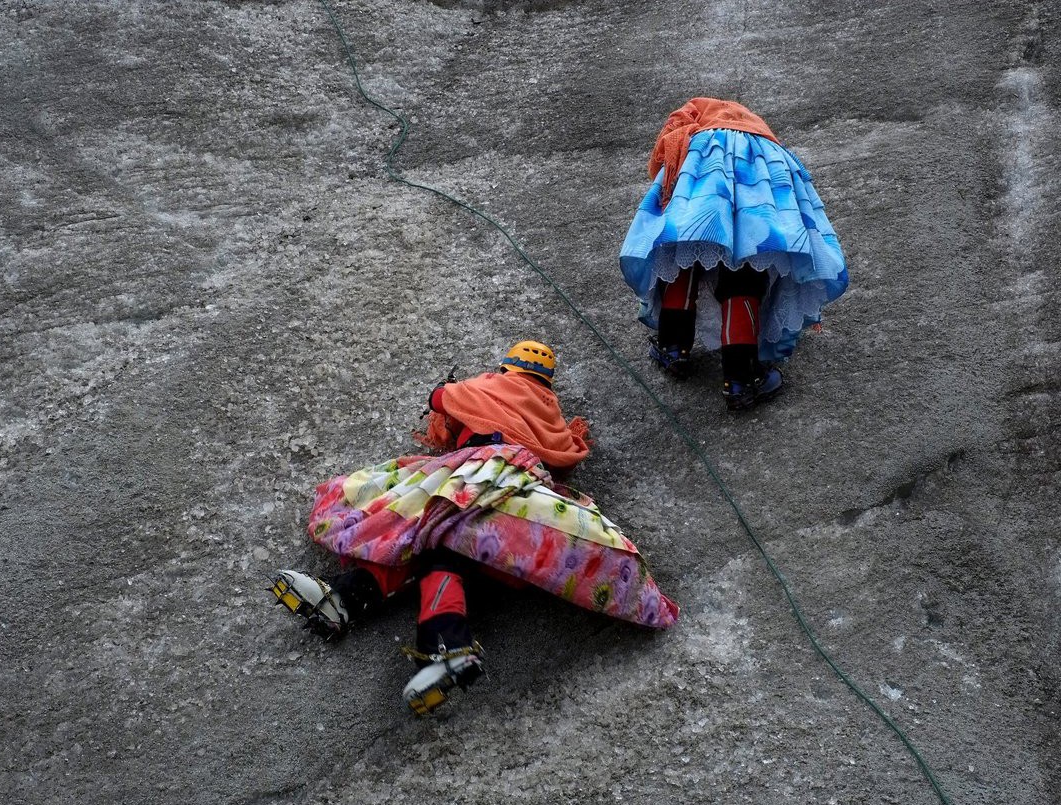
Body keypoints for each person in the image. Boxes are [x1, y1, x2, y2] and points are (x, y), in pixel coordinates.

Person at [269, 341, 679, 715]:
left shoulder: (490, 385)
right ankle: (430, 639)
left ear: (506, 368)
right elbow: (565, 456)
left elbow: (440, 398)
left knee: (419, 528)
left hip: (476, 471)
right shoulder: (550, 409)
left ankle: (351, 604)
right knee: (440, 546)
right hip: (519, 500)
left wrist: (451, 393)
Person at [619, 97, 849, 410]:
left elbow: (670, 136)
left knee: (682, 253)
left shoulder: (699, 112)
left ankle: (673, 348)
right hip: (761, 175)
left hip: (704, 169)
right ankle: (740, 379)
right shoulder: (762, 136)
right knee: (744, 269)